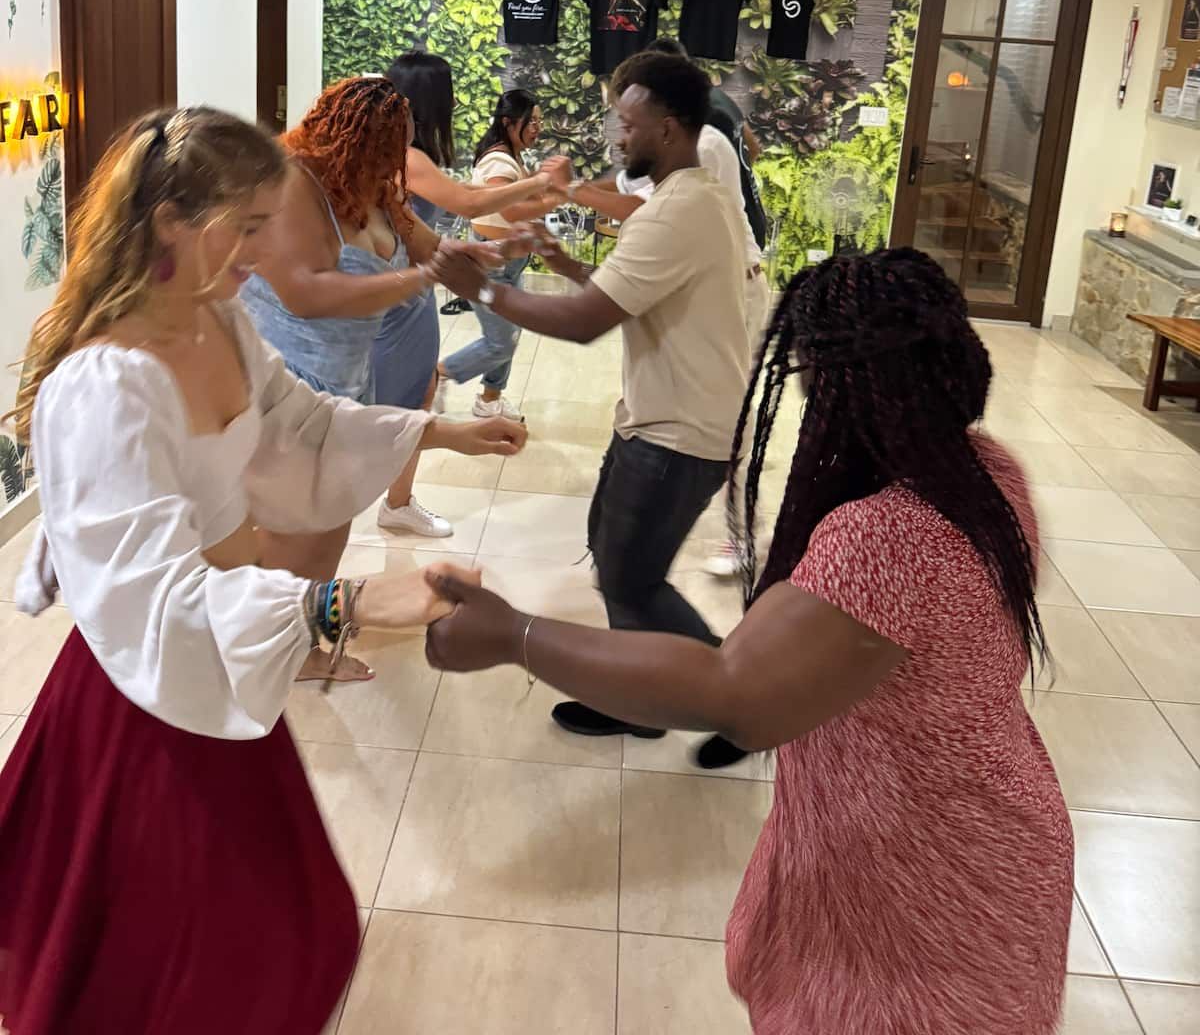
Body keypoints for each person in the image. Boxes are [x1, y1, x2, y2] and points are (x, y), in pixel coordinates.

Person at [424, 248, 1072, 1035]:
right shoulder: (986, 470)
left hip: (933, 883)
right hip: (963, 843)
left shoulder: (887, 540)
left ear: (837, 384)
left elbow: (732, 694)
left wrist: (516, 635)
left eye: (805, 371)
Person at [0, 106, 525, 1035]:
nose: (264, 252)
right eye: (246, 228)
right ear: (170, 222)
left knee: (289, 932)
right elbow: (154, 599)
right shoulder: (105, 386)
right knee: (189, 965)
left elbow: (300, 420)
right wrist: (346, 605)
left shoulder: (221, 321)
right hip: (146, 698)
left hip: (213, 675)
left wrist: (438, 429)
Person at [432, 52, 749, 740]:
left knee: (634, 580)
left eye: (628, 125)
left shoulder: (680, 209)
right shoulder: (683, 199)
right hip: (662, 419)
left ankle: (738, 705)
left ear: (668, 129)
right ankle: (636, 695)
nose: (617, 138)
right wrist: (561, 261)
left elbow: (585, 323)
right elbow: (631, 296)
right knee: (615, 561)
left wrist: (479, 289)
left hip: (678, 433)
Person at [240, 76, 475, 582]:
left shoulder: (380, 190)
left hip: (351, 384)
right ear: (348, 139)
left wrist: (485, 260)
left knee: (332, 525)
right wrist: (415, 279)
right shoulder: (292, 184)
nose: (397, 164)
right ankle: (289, 645)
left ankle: (309, 637)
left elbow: (431, 248)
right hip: (293, 386)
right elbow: (305, 296)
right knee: (290, 533)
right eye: (389, 150)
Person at [585, 38, 768, 579]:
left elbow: (630, 205)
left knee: (726, 415)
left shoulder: (702, 150)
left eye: (629, 117)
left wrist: (563, 194)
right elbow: (752, 151)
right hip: (722, 273)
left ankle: (740, 535)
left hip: (737, 283)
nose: (622, 133)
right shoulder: (712, 128)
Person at [385, 55, 568, 414]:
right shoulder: (410, 158)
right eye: (449, 92)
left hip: (414, 282)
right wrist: (546, 184)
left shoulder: (411, 158)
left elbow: (461, 196)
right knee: (408, 402)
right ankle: (466, 391)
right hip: (402, 291)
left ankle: (485, 397)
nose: (454, 102)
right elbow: (470, 203)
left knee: (497, 343)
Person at [433, 88, 566, 421]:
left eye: (539, 120)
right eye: (530, 121)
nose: (537, 127)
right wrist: (553, 196)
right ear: (509, 123)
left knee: (510, 335)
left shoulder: (510, 156)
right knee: (500, 343)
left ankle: (490, 400)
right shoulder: (499, 161)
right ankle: (438, 374)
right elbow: (508, 210)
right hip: (491, 265)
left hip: (506, 263)